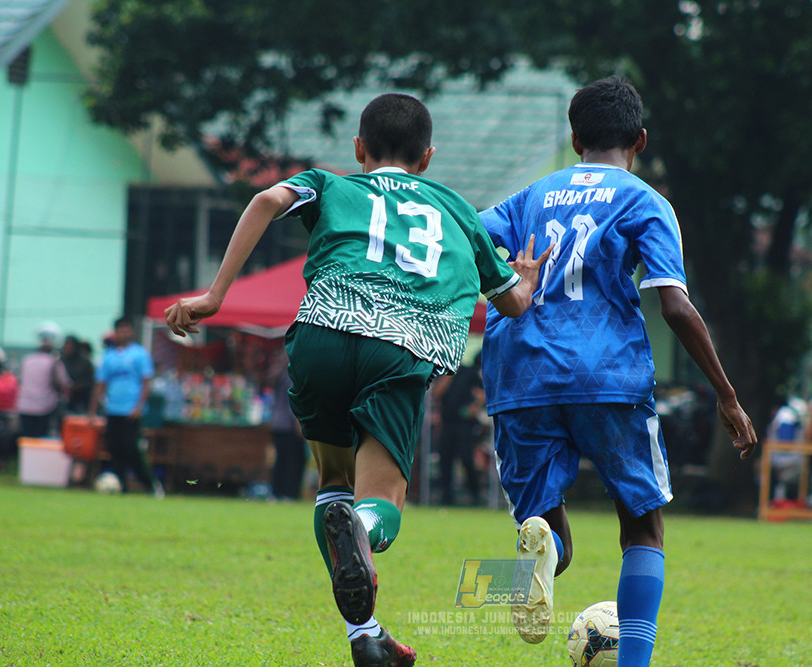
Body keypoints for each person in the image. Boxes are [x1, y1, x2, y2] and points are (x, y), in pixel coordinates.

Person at [163, 93, 549, 667]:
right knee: (380, 502)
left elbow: (267, 198)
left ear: (359, 148)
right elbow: (514, 305)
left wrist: (215, 295)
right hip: (403, 345)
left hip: (322, 331)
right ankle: (364, 531)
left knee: (333, 484)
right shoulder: (457, 210)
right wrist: (526, 276)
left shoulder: (332, 183)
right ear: (428, 156)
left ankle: (364, 636)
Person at [479, 77, 756, 665]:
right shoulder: (645, 201)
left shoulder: (529, 196)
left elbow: (468, 241)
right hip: (606, 374)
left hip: (519, 372)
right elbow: (674, 305)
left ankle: (544, 546)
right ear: (641, 139)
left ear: (574, 137)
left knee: (551, 536)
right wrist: (727, 397)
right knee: (643, 529)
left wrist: (511, 284)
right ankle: (632, 661)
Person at [88, 317, 164, 498]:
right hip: (113, 409)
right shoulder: (108, 356)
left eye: (126, 329)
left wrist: (139, 406)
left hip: (131, 411)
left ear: (131, 332)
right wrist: (92, 411)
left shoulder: (140, 354)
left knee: (131, 448)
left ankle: (151, 484)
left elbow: (146, 382)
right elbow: (100, 384)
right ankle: (120, 486)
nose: (123, 333)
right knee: (114, 449)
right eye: (119, 330)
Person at [435, 361, 487, 506]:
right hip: (448, 422)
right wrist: (449, 375)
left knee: (466, 458)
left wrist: (475, 406)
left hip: (465, 423)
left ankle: (475, 495)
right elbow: (437, 393)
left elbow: (483, 393)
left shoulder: (469, 372)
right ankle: (446, 496)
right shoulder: (444, 372)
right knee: (445, 459)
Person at [16, 322, 71, 438]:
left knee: (26, 439)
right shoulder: (54, 361)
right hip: (44, 407)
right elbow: (63, 384)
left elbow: (20, 380)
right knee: (41, 439)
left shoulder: (27, 359)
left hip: (25, 405)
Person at [269, 352, 308, 501]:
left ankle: (276, 491)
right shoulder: (291, 374)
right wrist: (299, 425)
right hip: (289, 424)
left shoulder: (278, 373)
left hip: (277, 423)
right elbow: (293, 402)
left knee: (281, 460)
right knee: (295, 460)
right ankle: (289, 493)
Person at [60, 335, 95, 414]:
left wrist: (76, 386)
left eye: (70, 345)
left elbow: (90, 381)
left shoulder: (85, 362)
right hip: (64, 400)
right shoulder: (61, 361)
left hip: (82, 400)